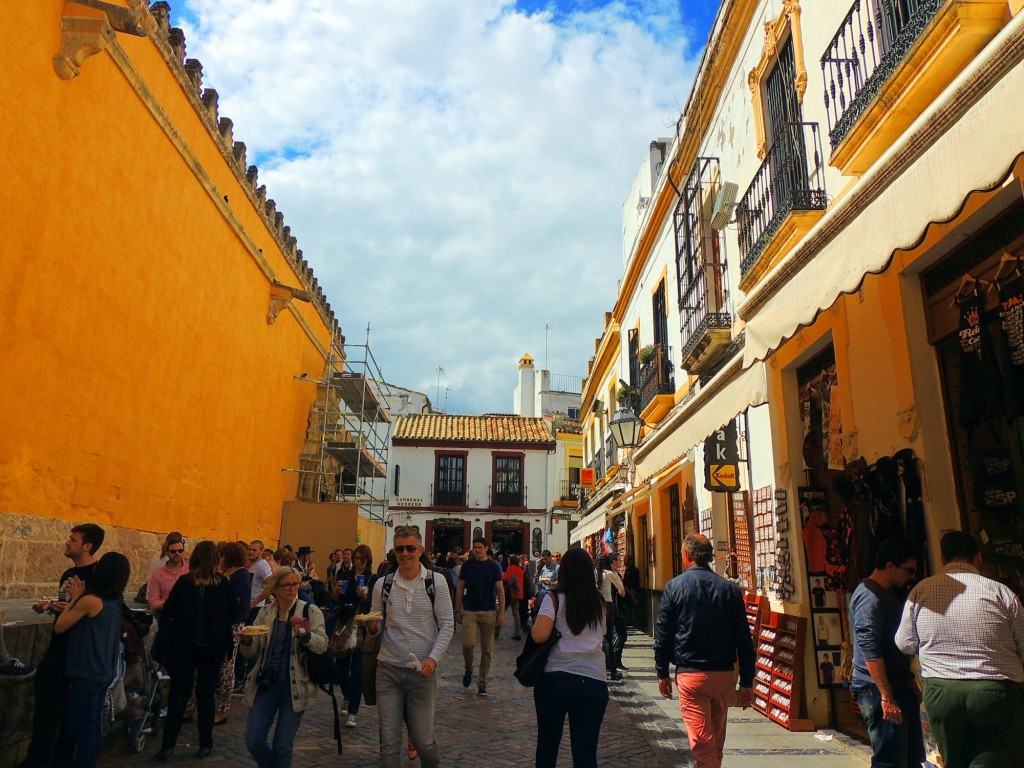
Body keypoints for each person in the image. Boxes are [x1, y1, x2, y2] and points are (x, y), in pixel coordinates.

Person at [896, 531, 1024, 767]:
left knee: (954, 761)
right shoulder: (1000, 592)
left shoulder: (920, 591)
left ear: (943, 558)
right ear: (978, 558)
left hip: (942, 692)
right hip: (995, 690)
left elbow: (904, 643)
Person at [654, 535, 755, 768]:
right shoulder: (730, 590)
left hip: (691, 675)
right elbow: (743, 638)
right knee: (714, 743)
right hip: (723, 675)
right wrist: (747, 680)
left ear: (686, 556)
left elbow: (663, 634)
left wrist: (662, 672)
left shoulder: (674, 587)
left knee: (703, 744)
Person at [365, 526, 454, 768]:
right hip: (388, 670)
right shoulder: (382, 585)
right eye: (399, 549)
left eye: (410, 548)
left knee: (424, 742)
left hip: (422, 672)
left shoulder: (436, 583)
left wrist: (433, 659)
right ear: (394, 551)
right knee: (389, 744)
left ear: (420, 550)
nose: (405, 553)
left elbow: (447, 625)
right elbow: (378, 626)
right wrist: (372, 627)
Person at [21, 523, 104, 768]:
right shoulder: (68, 575)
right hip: (56, 652)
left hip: (77, 657)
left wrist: (69, 606)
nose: (67, 542)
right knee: (44, 714)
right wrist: (49, 607)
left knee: (69, 719)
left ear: (87, 546)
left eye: (73, 539)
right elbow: (65, 609)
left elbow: (91, 615)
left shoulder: (97, 578)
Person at [156, 540, 240, 760]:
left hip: (184, 646)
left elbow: (169, 610)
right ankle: (205, 744)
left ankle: (168, 746)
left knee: (178, 695)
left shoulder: (184, 582)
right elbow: (235, 614)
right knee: (206, 695)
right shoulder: (223, 584)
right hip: (213, 648)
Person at [240, 566, 328, 768]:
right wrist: (246, 641)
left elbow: (322, 645)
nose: (292, 589)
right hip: (266, 682)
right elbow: (253, 651)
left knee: (283, 746)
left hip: (295, 685)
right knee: (253, 740)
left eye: (295, 584)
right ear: (276, 589)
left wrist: (305, 635)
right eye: (286, 585)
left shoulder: (309, 611)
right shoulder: (265, 613)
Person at [531, 547, 608, 768]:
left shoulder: (554, 599)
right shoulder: (599, 602)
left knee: (547, 744)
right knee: (586, 752)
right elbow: (601, 634)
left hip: (555, 678)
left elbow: (539, 635)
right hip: (593, 679)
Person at [850, 537, 923, 768]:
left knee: (909, 757)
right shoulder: (870, 597)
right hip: (877, 687)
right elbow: (869, 647)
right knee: (890, 759)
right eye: (909, 570)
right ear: (890, 565)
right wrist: (886, 696)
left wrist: (908, 682)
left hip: (894, 683)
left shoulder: (885, 592)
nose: (911, 577)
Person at [53, 550, 130, 768]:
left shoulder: (91, 601)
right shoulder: (116, 602)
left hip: (85, 673)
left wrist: (75, 597)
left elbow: (60, 626)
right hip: (103, 673)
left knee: (84, 732)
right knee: (92, 729)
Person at [333, 543, 377, 727]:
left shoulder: (372, 579)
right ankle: (346, 694)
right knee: (341, 668)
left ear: (367, 560)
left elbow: (375, 604)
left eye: (361, 559)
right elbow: (337, 599)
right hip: (345, 624)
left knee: (357, 671)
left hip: (362, 627)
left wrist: (364, 596)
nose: (358, 562)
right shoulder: (345, 575)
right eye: (356, 558)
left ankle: (353, 711)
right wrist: (336, 590)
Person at [456, 536, 505, 695]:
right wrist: (457, 609)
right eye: (475, 547)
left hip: (488, 611)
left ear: (486, 548)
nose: (477, 550)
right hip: (469, 610)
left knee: (487, 649)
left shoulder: (494, 566)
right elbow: (460, 587)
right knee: (467, 645)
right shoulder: (467, 566)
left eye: (480, 547)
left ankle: (482, 682)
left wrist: (502, 612)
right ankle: (469, 669)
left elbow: (500, 589)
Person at [215, 540, 251, 724]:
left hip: (233, 626)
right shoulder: (225, 574)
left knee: (227, 666)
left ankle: (223, 708)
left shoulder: (241, 575)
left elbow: (240, 603)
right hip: (220, 624)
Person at [597, 554, 626, 680]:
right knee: (608, 637)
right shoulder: (609, 574)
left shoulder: (594, 573)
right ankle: (613, 669)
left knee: (599, 637)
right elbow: (622, 589)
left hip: (597, 606)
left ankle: (601, 666)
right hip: (608, 605)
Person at [147, 536, 189, 612]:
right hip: (167, 616)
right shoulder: (158, 575)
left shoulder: (191, 571)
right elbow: (153, 601)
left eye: (180, 550)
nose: (177, 553)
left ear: (184, 552)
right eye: (173, 551)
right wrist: (169, 607)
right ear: (167, 553)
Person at [503, 554, 526, 641]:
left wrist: (502, 575)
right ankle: (517, 633)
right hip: (518, 594)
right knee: (516, 614)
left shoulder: (511, 568)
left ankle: (496, 631)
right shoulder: (520, 569)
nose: (508, 561)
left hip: (510, 593)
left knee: (501, 611)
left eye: (509, 560)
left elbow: (506, 578)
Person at [533, 550, 559, 619]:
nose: (544, 561)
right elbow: (540, 578)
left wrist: (550, 583)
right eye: (543, 559)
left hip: (551, 592)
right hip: (542, 590)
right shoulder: (544, 567)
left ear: (550, 557)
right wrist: (537, 580)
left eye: (546, 559)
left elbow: (560, 582)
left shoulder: (557, 568)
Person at [621, 554, 640, 627]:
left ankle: (634, 622)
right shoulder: (629, 569)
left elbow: (631, 580)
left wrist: (627, 586)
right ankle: (631, 621)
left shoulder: (632, 570)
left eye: (626, 560)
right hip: (629, 590)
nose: (624, 561)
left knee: (633, 605)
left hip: (631, 590)